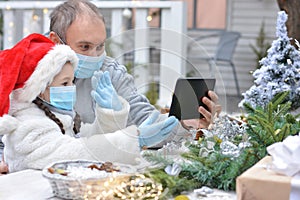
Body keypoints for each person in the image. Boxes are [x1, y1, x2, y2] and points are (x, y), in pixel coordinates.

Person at [0, 33, 178, 172]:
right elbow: (73, 153)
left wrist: (108, 116)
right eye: (64, 83)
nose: (71, 87)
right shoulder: (28, 125)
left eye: (72, 81)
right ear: (38, 89)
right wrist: (133, 140)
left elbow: (85, 142)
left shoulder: (53, 116)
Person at [47, 0, 222, 136]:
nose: (95, 56)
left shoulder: (110, 72)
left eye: (100, 46)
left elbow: (143, 118)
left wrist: (184, 125)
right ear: (56, 41)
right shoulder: (32, 76)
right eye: (84, 47)